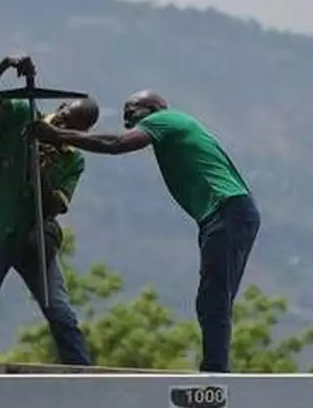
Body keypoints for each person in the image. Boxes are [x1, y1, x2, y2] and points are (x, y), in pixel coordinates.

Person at [30, 90, 259, 372]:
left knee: (214, 297)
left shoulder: (164, 119)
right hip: (226, 214)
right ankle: (215, 367)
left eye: (132, 110)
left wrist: (58, 135)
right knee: (213, 298)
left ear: (154, 107)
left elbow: (115, 143)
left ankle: (215, 373)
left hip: (227, 211)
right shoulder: (172, 126)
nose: (128, 118)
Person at [0, 54, 98, 366]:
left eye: (73, 127)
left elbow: (55, 205)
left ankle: (82, 371)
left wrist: (39, 166)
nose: (64, 124)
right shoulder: (22, 115)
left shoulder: (73, 160)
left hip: (33, 242)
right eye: (64, 115)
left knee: (60, 312)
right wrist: (5, 64)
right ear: (60, 106)